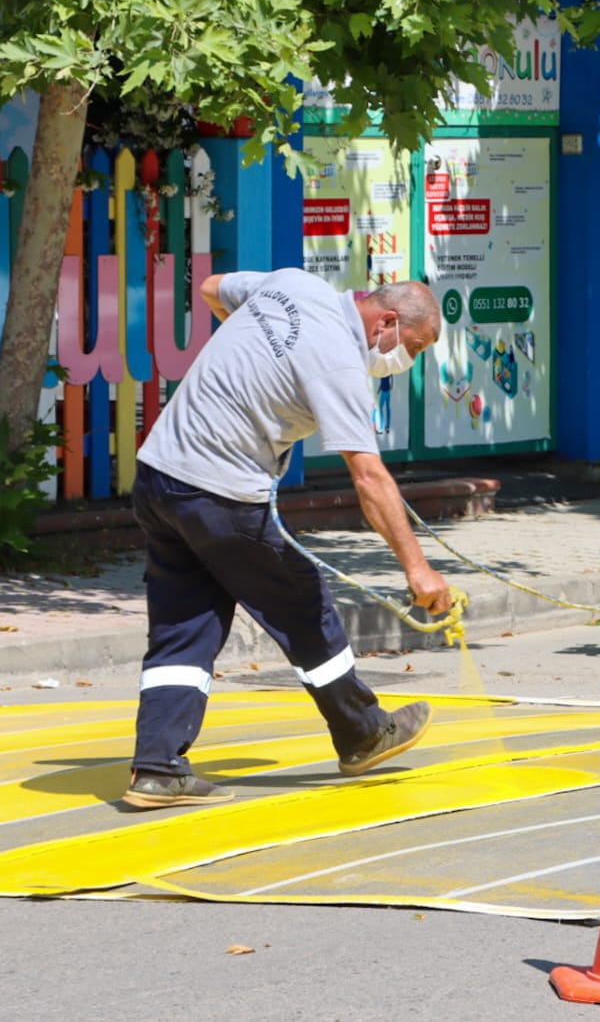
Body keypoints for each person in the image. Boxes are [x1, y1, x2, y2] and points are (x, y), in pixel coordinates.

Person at [122, 271, 452, 808]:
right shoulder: (339, 362)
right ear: (387, 321)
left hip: (159, 478)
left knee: (184, 628)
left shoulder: (295, 285)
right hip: (220, 491)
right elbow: (368, 477)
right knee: (303, 605)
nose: (404, 360)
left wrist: (263, 367)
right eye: (411, 348)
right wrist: (418, 569)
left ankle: (157, 768)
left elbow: (210, 288)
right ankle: (365, 731)